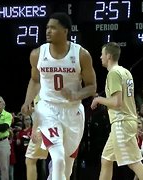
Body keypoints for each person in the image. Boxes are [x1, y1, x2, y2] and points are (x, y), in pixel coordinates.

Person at [21, 12, 97, 180]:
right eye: (47, 27)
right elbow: (35, 80)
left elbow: (92, 87)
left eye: (53, 28)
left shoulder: (81, 55)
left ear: (65, 31)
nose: (48, 31)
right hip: (47, 110)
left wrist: (77, 94)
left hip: (72, 112)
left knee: (66, 169)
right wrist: (27, 101)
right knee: (58, 157)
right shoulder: (37, 54)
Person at [91, 42, 143, 180]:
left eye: (102, 54)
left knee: (134, 164)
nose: (100, 57)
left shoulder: (113, 74)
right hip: (127, 120)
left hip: (121, 122)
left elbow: (116, 102)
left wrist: (98, 99)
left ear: (108, 55)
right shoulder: (126, 72)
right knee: (106, 160)